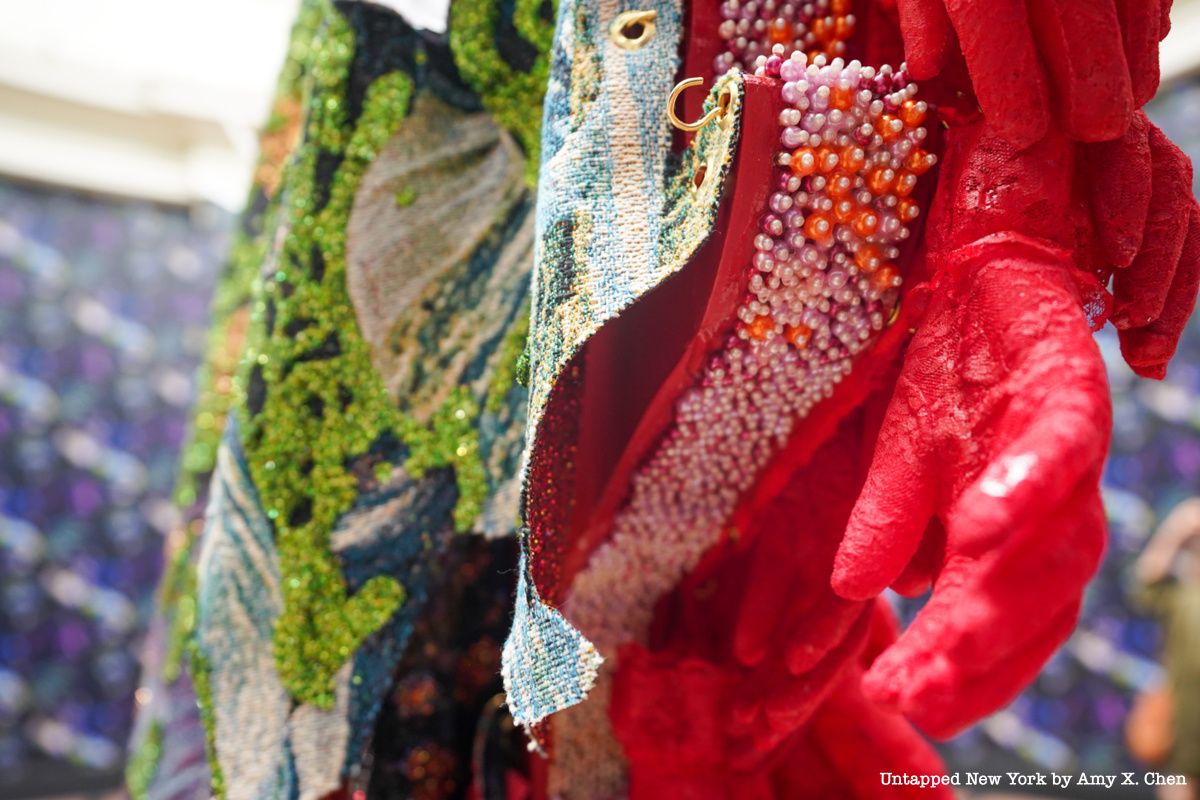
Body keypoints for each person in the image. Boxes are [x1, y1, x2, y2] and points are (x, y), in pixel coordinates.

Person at [1137, 498, 1200, 800]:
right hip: (1184, 725)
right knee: (1179, 783)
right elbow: (1148, 581)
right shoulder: (1181, 597)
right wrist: (1177, 528)